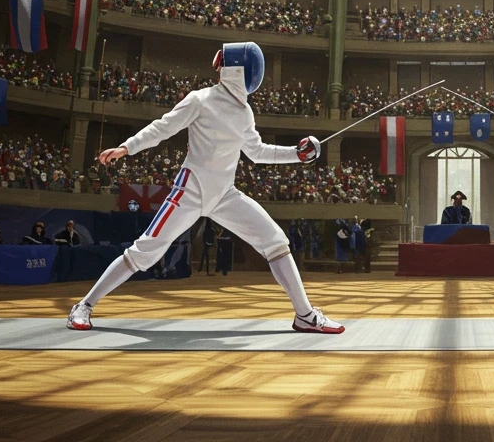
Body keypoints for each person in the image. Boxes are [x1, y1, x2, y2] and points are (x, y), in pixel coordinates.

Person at [66, 42, 343, 334]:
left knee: (275, 240)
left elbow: (257, 152)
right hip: (190, 190)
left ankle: (305, 315)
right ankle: (83, 305)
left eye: (223, 62)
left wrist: (296, 155)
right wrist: (127, 147)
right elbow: (164, 127)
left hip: (224, 195)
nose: (218, 66)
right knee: (144, 252)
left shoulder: (244, 113)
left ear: (234, 70)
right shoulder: (201, 99)